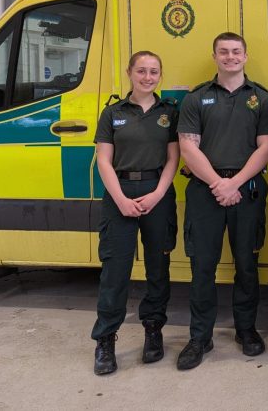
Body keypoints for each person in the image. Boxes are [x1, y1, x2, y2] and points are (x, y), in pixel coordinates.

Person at [175, 32, 268, 370]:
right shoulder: (196, 98)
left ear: (246, 56)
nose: (230, 57)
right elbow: (188, 147)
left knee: (247, 266)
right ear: (215, 55)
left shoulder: (262, 99)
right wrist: (218, 183)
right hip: (206, 190)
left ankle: (246, 330)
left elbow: (266, 147)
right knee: (202, 266)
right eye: (224, 51)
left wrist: (234, 182)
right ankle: (199, 337)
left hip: (246, 190)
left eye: (236, 52)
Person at [91, 51, 179, 375]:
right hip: (120, 193)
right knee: (115, 270)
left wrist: (157, 194)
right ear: (130, 72)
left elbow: (173, 158)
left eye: (153, 71)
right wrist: (121, 200)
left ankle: (153, 330)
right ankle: (105, 340)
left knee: (158, 267)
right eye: (141, 70)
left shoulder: (169, 112)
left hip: (158, 191)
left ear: (160, 75)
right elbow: (104, 160)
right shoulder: (112, 113)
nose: (147, 77)